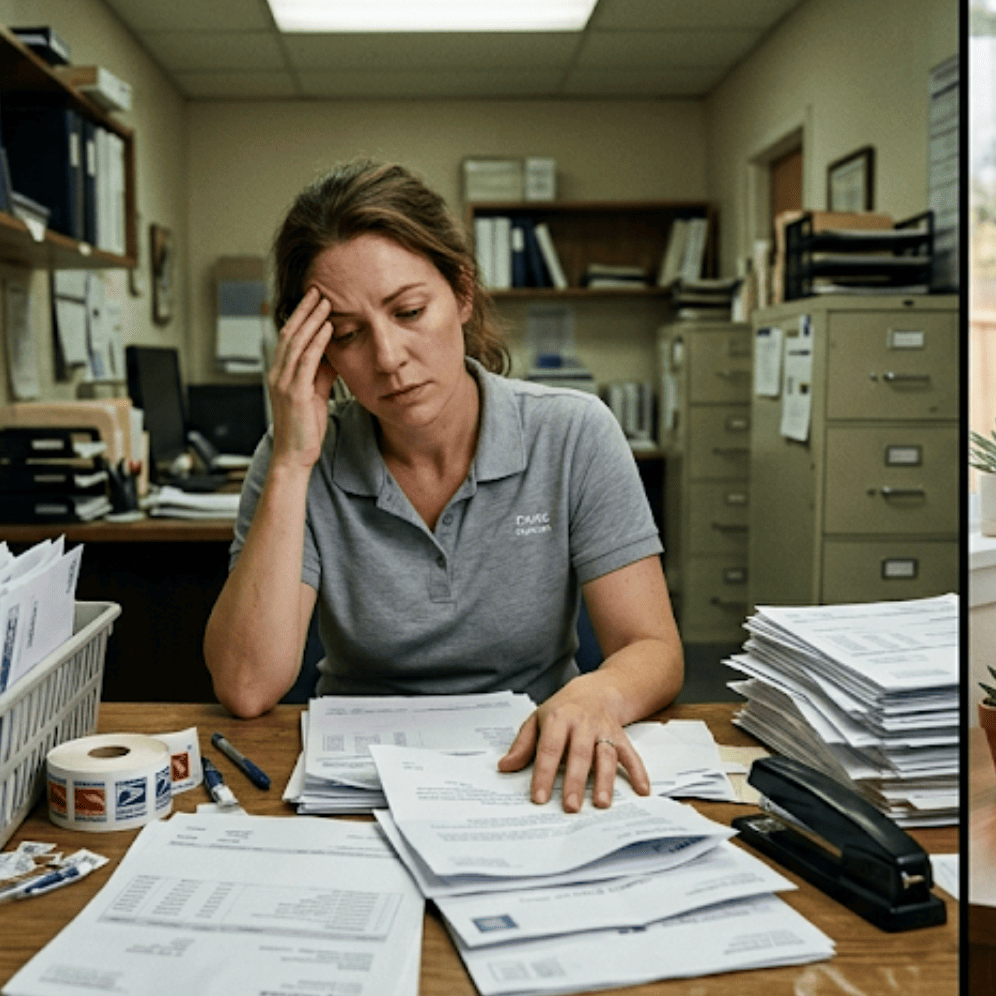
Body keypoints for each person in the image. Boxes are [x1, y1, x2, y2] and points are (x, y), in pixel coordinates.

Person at [204, 160, 682, 813]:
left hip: (534, 768)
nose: (388, 357)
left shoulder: (573, 433)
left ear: (461, 291)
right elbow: (247, 686)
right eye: (346, 336)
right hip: (360, 783)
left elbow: (652, 647)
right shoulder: (296, 455)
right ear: (315, 351)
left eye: (408, 311)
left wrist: (597, 694)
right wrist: (291, 461)